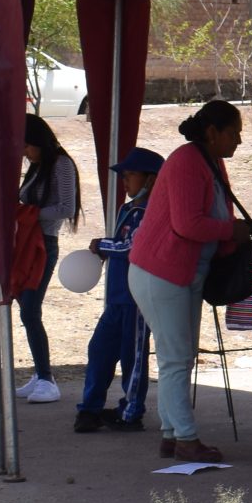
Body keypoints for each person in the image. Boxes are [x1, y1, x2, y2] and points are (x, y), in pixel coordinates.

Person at [128, 99, 252, 465]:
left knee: (180, 358)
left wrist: (234, 234)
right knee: (175, 358)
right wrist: (230, 231)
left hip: (182, 273)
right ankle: (185, 438)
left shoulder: (209, 161)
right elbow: (188, 224)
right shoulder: (187, 160)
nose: (238, 141)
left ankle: (173, 434)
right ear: (213, 132)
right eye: (234, 133)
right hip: (162, 271)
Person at [75, 147, 162, 434]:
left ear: (151, 179)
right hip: (116, 296)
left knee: (133, 356)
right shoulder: (128, 209)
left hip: (136, 299)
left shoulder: (152, 211)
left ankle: (131, 411)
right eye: (124, 176)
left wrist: (103, 245)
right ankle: (89, 409)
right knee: (99, 350)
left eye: (131, 175)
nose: (125, 181)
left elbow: (134, 246)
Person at [12, 114, 79, 404]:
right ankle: (41, 374)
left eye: (28, 147)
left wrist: (28, 215)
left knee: (30, 310)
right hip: (26, 243)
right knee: (27, 309)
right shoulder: (37, 167)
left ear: (39, 141)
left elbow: (66, 208)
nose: (25, 154)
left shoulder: (61, 164)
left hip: (43, 244)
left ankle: (46, 377)